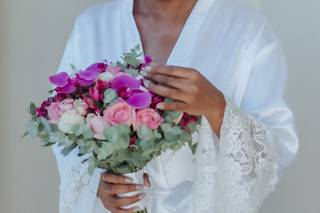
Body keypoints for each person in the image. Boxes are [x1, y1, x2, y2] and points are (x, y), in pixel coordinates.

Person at [52, 0, 299, 212]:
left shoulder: (247, 30)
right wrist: (96, 184)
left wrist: (216, 108)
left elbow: (277, 152)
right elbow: (64, 126)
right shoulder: (92, 26)